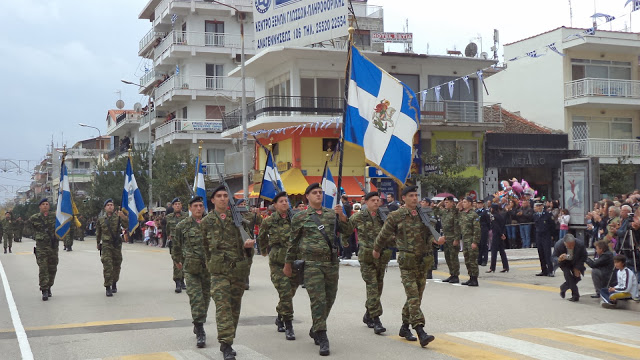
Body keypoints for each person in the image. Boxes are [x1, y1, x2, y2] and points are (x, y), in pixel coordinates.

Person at [283, 183, 350, 356]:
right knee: (318, 300)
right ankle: (322, 336)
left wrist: (341, 215)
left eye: (320, 192)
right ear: (307, 196)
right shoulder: (300, 217)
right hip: (312, 265)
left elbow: (347, 230)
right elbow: (293, 242)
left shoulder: (331, 214)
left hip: (331, 263)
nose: (319, 195)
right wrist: (288, 264)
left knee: (330, 298)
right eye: (315, 193)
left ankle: (315, 327)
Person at [373, 186, 442, 347]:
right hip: (407, 261)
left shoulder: (423, 214)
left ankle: (404, 327)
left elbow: (430, 233)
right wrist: (377, 249)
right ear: (403, 198)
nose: (414, 198)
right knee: (413, 296)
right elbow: (383, 234)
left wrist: (435, 240)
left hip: (423, 261)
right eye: (411, 195)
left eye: (416, 195)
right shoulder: (396, 216)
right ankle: (420, 330)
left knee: (416, 296)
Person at [201, 185, 255, 360]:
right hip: (218, 273)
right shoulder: (206, 222)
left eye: (226, 195)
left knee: (234, 308)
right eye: (219, 196)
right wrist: (210, 266)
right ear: (213, 200)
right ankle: (226, 344)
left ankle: (229, 339)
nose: (223, 198)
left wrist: (248, 248)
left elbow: (247, 244)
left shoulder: (238, 219)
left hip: (237, 271)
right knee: (223, 308)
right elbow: (204, 249)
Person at [342, 191, 390, 335]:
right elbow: (347, 230)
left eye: (378, 200)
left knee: (379, 287)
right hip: (367, 257)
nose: (376, 202)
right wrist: (344, 242)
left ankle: (368, 314)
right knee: (373, 287)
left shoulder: (383, 217)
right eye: (373, 200)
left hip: (381, 257)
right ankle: (376, 319)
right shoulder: (359, 216)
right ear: (366, 202)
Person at [257, 191, 299, 341]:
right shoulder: (269, 221)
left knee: (290, 293)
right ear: (274, 205)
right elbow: (261, 236)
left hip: (294, 262)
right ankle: (289, 325)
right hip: (277, 263)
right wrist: (263, 250)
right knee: (286, 292)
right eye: (281, 201)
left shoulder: (295, 219)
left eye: (286, 201)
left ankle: (280, 316)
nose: (284, 203)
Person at [172, 196, 210, 348]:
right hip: (191, 269)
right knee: (196, 299)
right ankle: (200, 329)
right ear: (190, 208)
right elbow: (176, 245)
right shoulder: (183, 226)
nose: (199, 208)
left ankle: (199, 321)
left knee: (206, 299)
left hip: (208, 268)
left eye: (201, 205)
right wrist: (177, 260)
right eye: (196, 206)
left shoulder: (210, 223)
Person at [26, 198, 59, 301]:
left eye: (47, 204)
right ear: (40, 206)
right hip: (41, 248)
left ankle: (49, 286)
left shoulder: (55, 216)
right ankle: (44, 289)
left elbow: (62, 225)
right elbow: (27, 228)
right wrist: (36, 235)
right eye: (43, 204)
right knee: (43, 268)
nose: (45, 206)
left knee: (52, 269)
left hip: (53, 247)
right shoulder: (34, 218)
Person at [96, 199, 127, 297]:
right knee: (107, 265)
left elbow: (126, 226)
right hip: (106, 245)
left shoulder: (118, 217)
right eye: (108, 205)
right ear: (105, 207)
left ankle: (114, 282)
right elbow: (98, 232)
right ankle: (108, 287)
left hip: (116, 245)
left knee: (117, 265)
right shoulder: (101, 219)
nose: (110, 206)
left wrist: (124, 217)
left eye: (112, 205)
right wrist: (98, 243)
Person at [433, 196, 460, 283]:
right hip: (446, 238)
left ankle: (456, 275)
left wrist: (456, 239)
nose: (445, 204)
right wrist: (440, 203)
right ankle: (451, 274)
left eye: (447, 202)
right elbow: (435, 210)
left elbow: (457, 226)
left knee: (453, 257)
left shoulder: (455, 212)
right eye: (445, 202)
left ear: (452, 203)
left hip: (452, 237)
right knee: (447, 257)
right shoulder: (445, 212)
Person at [553, 234, 588, 302]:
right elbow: (553, 257)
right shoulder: (558, 245)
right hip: (564, 263)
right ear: (564, 243)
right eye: (569, 246)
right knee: (568, 276)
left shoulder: (580, 244)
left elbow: (584, 256)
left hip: (576, 262)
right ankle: (575, 295)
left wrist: (577, 267)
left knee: (577, 278)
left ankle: (563, 287)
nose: (571, 247)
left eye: (573, 245)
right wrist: (559, 259)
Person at [165, 197, 187, 293]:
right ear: (173, 206)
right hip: (175, 243)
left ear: (181, 206)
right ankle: (177, 282)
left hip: (185, 243)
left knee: (185, 262)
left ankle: (182, 280)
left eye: (179, 204)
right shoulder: (169, 217)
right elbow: (167, 229)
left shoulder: (186, 216)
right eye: (176, 204)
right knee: (176, 262)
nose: (177, 206)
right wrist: (169, 236)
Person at [459, 197, 481, 286]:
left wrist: (475, 242)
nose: (463, 203)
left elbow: (477, 230)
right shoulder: (463, 214)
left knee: (472, 260)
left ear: (470, 203)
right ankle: (470, 277)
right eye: (463, 202)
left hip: (471, 239)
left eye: (465, 202)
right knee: (467, 260)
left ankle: (475, 279)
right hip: (465, 240)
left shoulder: (474, 215)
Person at [534, 202, 555, 277]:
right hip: (538, 235)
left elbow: (552, 225)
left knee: (547, 254)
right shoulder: (535, 215)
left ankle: (550, 270)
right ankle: (544, 270)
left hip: (546, 235)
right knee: (541, 253)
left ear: (542, 206)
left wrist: (552, 235)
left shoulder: (547, 214)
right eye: (537, 206)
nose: (538, 207)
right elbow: (535, 226)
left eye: (540, 206)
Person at [487, 204, 509, 273]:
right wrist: (503, 233)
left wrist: (500, 234)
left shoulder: (493, 216)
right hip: (501, 234)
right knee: (502, 251)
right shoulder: (501, 215)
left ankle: (492, 268)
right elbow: (503, 225)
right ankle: (506, 266)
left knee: (494, 252)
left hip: (496, 234)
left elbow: (496, 226)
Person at [476, 199, 490, 266]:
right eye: (478, 203)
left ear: (483, 204)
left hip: (483, 229)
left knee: (484, 245)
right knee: (479, 245)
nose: (479, 205)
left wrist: (487, 229)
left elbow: (488, 222)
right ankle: (479, 259)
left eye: (480, 204)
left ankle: (485, 260)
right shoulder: (475, 212)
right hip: (477, 230)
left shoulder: (485, 212)